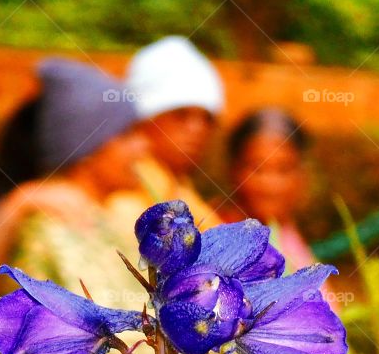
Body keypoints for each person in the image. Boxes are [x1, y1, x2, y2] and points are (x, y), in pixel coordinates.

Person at [0, 59, 147, 330]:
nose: (143, 146)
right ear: (88, 150)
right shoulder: (45, 222)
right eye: (126, 134)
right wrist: (16, 205)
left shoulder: (119, 211)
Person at [121, 35, 225, 222]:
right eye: (180, 114)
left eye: (207, 118)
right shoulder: (123, 193)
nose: (197, 129)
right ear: (144, 119)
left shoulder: (185, 192)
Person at [223, 108, 316, 271]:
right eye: (257, 169)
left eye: (283, 169)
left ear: (301, 176)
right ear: (234, 170)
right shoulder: (214, 235)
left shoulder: (291, 240)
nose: (270, 185)